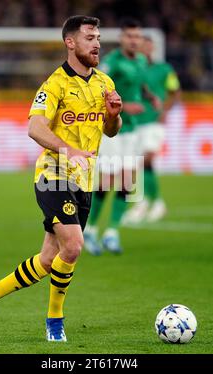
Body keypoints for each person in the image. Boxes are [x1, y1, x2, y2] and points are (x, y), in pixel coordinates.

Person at [0, 15, 122, 342]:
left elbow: (111, 132)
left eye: (98, 37)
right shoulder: (54, 85)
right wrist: (68, 149)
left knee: (50, 260)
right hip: (53, 174)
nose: (97, 43)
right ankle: (55, 321)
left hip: (84, 180)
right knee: (75, 246)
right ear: (70, 42)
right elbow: (34, 127)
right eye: (90, 37)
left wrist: (113, 115)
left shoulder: (105, 82)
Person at [83, 19, 159, 255]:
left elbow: (140, 84)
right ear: (121, 39)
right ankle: (90, 230)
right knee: (106, 182)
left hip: (133, 130)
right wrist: (125, 107)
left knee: (128, 182)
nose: (134, 40)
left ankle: (112, 233)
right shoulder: (111, 63)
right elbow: (95, 94)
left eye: (137, 36)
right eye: (129, 36)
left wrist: (150, 96)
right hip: (112, 130)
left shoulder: (139, 61)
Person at [122, 36, 181, 224]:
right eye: (143, 46)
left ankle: (149, 203)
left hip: (154, 122)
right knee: (140, 164)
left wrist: (165, 110)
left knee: (145, 160)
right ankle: (151, 202)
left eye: (149, 46)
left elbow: (175, 91)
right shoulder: (134, 69)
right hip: (135, 122)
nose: (146, 49)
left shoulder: (164, 69)